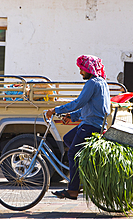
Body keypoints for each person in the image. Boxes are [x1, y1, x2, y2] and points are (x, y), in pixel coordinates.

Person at [46, 55, 110, 200]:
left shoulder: (92, 83)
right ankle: (81, 174)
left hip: (91, 126)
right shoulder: (101, 82)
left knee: (72, 154)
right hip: (92, 123)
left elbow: (78, 103)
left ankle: (73, 189)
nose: (81, 72)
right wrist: (72, 116)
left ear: (89, 69)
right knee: (68, 138)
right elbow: (90, 107)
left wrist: (55, 110)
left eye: (82, 69)